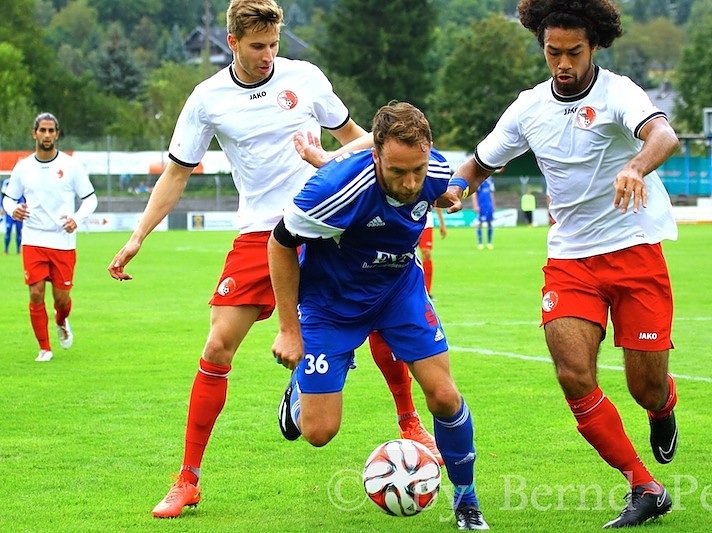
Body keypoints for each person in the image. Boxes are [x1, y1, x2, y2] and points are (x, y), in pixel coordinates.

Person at [107, 0, 438, 519]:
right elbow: (176, 173)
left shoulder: (305, 78)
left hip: (327, 226)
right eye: (257, 46)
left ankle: (408, 421)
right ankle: (187, 479)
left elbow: (358, 141)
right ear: (233, 43)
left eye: (274, 45)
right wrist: (137, 236)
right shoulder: (206, 99)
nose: (268, 56)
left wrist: (343, 168)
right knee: (217, 346)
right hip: (261, 232)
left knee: (374, 315)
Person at [440, 0, 680, 528]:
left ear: (593, 46)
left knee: (647, 388)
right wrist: (457, 189)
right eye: (553, 53)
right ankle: (644, 486)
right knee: (573, 373)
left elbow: (664, 134)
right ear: (542, 48)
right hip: (570, 259)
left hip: (635, 248)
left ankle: (662, 410)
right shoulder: (528, 108)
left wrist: (637, 166)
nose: (563, 64)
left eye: (574, 52)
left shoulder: (620, 92)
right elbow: (479, 164)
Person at [270, 102, 489, 531]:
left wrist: (451, 192)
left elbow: (454, 181)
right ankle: (297, 392)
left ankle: (467, 502)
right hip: (329, 304)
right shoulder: (332, 191)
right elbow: (279, 245)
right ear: (375, 159)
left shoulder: (434, 171)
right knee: (318, 432)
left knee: (444, 395)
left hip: (397, 290)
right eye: (397, 172)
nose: (410, 184)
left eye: (418, 171)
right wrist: (288, 331)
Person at [2, 112, 97, 362]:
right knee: (35, 293)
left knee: (61, 299)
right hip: (33, 239)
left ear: (57, 134)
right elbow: (9, 198)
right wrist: (14, 209)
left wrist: (77, 218)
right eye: (42, 130)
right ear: (34, 133)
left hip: (63, 241)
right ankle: (44, 348)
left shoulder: (71, 166)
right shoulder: (23, 167)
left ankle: (62, 319)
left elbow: (90, 199)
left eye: (51, 131)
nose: (46, 135)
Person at [419, 207, 447, 297]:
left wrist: (442, 223)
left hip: (426, 221)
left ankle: (427, 291)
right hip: (406, 218)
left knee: (426, 253)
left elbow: (438, 202)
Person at [2, 178, 24, 254]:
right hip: (9, 212)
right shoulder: (7, 181)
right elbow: (4, 195)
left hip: (20, 210)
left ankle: (18, 250)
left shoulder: (22, 179)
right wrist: (3, 207)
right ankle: (6, 249)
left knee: (19, 231)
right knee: (8, 230)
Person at [472, 176, 495, 249]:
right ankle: (480, 243)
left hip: (489, 205)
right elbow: (474, 193)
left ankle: (489, 243)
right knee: (479, 223)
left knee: (490, 223)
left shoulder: (490, 179)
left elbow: (491, 193)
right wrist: (475, 205)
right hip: (481, 204)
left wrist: (493, 204)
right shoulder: (479, 179)